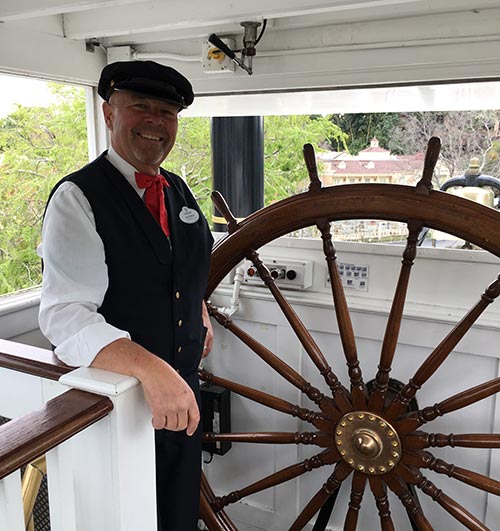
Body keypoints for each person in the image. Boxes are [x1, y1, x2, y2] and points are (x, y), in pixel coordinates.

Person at [38, 60, 214, 530]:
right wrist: (152, 369)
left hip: (182, 397)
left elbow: (181, 270)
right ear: (108, 114)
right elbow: (66, 315)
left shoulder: (177, 189)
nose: (156, 121)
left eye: (168, 112)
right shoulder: (78, 198)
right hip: (121, 406)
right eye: (141, 107)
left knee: (177, 513)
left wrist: (197, 309)